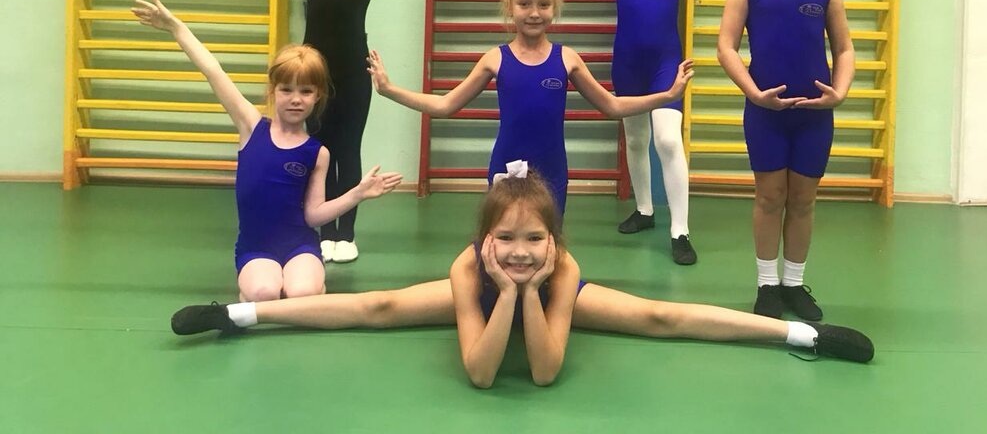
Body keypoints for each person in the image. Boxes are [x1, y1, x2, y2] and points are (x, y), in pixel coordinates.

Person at [170, 170, 875, 386]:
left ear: (555, 242)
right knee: (378, 306)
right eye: (504, 239)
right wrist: (504, 287)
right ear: (483, 242)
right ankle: (237, 316)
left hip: (550, 299)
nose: (518, 250)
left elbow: (542, 371)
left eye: (533, 239)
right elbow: (481, 373)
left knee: (661, 317)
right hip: (488, 298)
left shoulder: (561, 267)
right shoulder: (469, 266)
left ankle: (803, 334)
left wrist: (532, 287)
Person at [215, 0, 488, 262]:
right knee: (319, 152)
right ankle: (325, 231)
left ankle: (346, 234)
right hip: (313, 79)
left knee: (348, 151)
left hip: (355, 77)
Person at [535, 0, 773, 264]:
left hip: (665, 67)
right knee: (635, 139)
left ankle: (680, 230)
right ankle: (644, 210)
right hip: (628, 65)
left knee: (666, 139)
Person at [365, 0, 694, 215]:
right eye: (524, 4)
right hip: (506, 166)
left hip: (553, 170)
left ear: (555, 8)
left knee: (546, 246)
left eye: (543, 4)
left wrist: (666, 96)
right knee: (503, 242)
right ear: (510, 7)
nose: (534, 13)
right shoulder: (495, 59)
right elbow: (445, 105)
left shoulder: (567, 59)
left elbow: (612, 106)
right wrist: (390, 90)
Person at [131, 0, 402, 301]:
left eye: (306, 91)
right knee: (265, 292)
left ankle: (311, 284)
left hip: (300, 245)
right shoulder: (251, 126)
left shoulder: (317, 153)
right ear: (274, 91)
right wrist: (177, 29)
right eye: (287, 90)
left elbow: (314, 216)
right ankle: (259, 286)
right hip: (257, 247)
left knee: (302, 293)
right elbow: (213, 71)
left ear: (317, 96)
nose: (296, 99)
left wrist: (357, 193)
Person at [716, 0, 855, 322]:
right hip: (766, 114)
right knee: (770, 196)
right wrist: (753, 93)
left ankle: (793, 283)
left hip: (814, 115)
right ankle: (767, 284)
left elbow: (844, 49)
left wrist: (839, 92)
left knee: (804, 200)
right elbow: (726, 47)